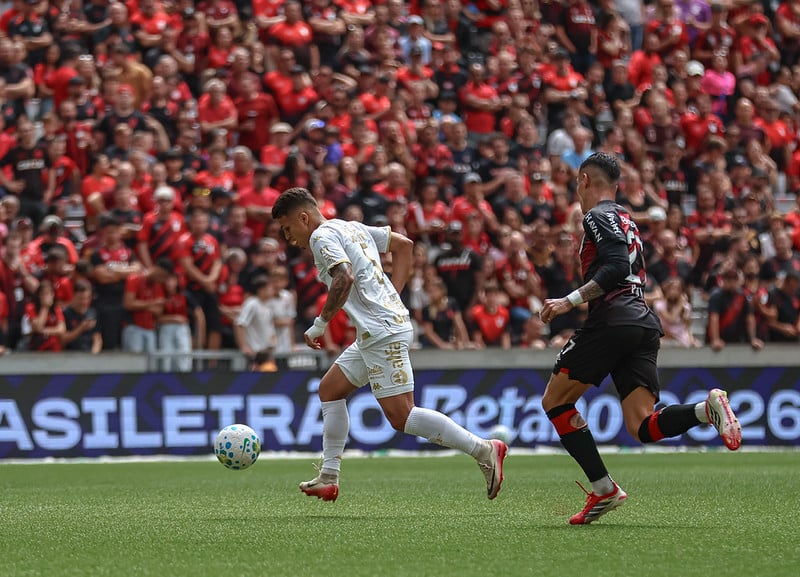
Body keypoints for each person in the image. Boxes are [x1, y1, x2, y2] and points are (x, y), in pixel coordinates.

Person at [539, 153, 743, 525]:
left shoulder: (597, 216)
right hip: (642, 322)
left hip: (613, 319)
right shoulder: (626, 217)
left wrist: (568, 301)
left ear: (584, 180)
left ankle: (604, 489)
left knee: (555, 401)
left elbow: (617, 267)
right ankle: (706, 409)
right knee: (642, 426)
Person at [272, 187, 507, 502]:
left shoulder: (320, 237)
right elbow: (404, 245)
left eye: (288, 228)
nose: (288, 237)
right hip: (376, 330)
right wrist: (393, 294)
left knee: (402, 416)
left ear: (304, 217)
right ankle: (328, 476)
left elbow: (344, 278)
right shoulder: (351, 227)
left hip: (381, 330)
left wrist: (320, 324)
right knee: (330, 390)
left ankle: (484, 449)